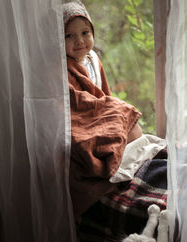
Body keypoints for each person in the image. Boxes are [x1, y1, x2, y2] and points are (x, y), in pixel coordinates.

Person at [62, 1, 143, 218]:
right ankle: (114, 168)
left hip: (98, 111)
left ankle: (128, 161)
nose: (79, 41)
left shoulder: (94, 58)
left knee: (131, 124)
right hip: (82, 118)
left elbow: (103, 93)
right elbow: (74, 101)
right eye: (69, 36)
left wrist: (111, 113)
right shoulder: (63, 68)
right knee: (94, 147)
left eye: (85, 32)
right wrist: (104, 111)